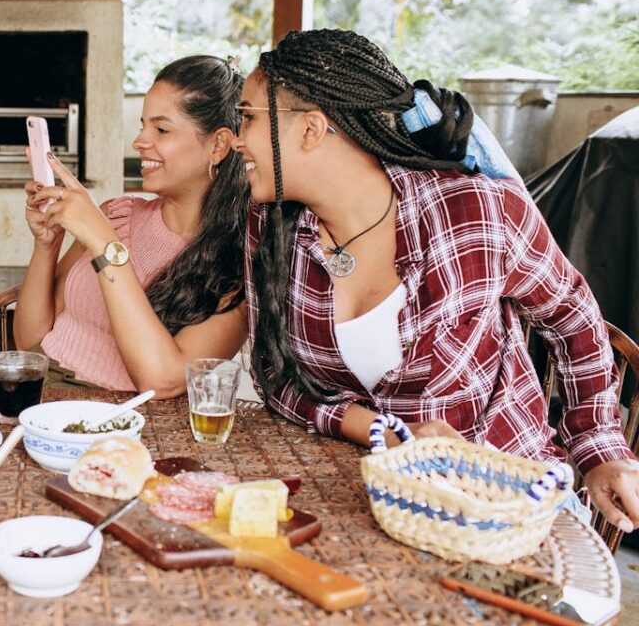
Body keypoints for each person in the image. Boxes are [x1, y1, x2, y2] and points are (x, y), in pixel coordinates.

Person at [235, 28, 639, 531]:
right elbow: (273, 374)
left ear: (311, 129)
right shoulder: (272, 226)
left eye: (248, 117)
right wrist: (383, 431)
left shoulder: (475, 211)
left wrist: (600, 449)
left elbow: (573, 316)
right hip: (377, 503)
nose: (237, 138)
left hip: (507, 504)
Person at [14, 56, 248, 398]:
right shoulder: (116, 213)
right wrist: (47, 244)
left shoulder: (235, 265)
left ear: (218, 145)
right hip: (42, 396)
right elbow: (29, 341)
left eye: (161, 130)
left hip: (125, 418)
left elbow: (164, 381)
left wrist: (104, 243)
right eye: (142, 126)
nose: (139, 142)